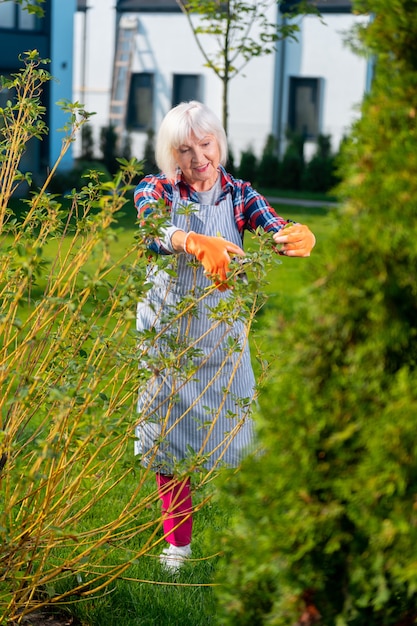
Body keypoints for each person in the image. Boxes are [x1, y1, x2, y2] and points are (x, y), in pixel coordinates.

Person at [133, 101, 315, 573]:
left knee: (239, 435)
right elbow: (152, 226)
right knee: (168, 443)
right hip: (169, 334)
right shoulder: (157, 189)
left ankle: (262, 542)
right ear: (172, 155)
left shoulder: (239, 194)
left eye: (206, 144)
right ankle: (178, 548)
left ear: (220, 142)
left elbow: (272, 225)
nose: (199, 159)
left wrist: (292, 235)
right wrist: (191, 240)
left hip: (221, 334)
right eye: (186, 150)